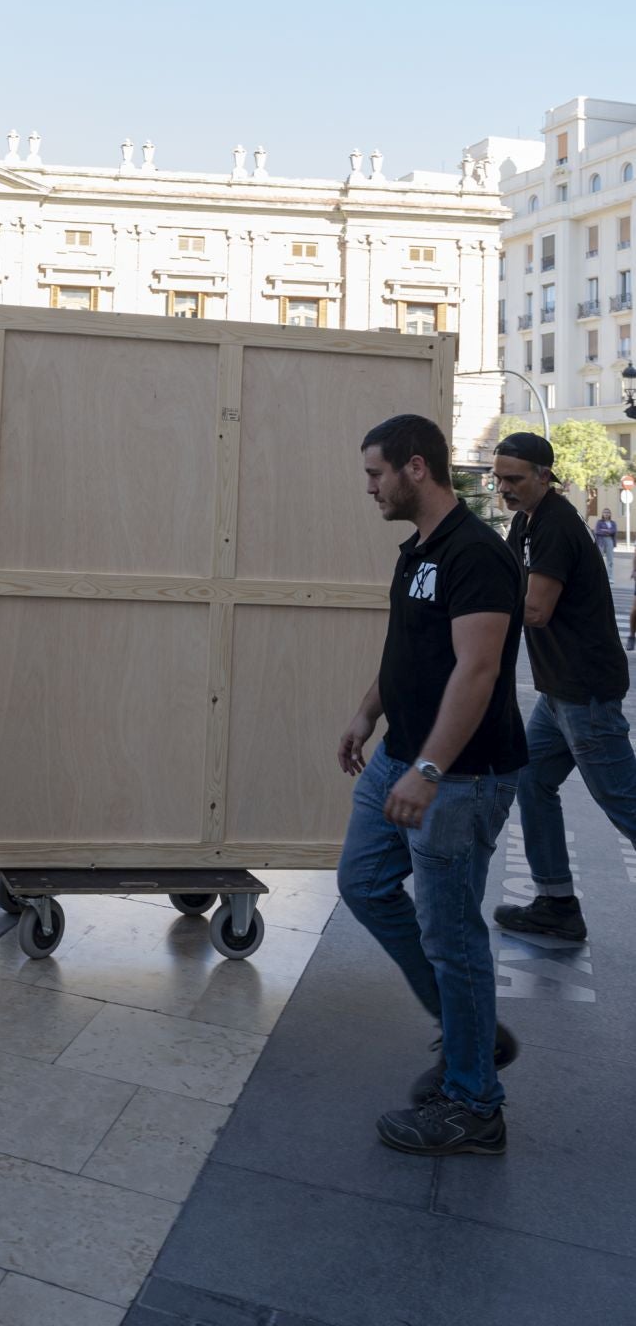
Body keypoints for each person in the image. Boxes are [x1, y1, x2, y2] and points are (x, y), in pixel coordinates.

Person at [336, 413, 526, 1157]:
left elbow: (477, 671)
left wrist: (428, 770)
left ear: (416, 467)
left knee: (452, 938)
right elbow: (407, 653)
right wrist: (367, 713)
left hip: (460, 775)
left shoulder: (476, 554)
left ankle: (475, 1105)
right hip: (402, 756)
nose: (370, 488)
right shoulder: (418, 549)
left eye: (376, 473)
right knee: (363, 883)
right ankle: (464, 1024)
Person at [489, 432, 636, 945]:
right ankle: (556, 904)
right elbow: (504, 574)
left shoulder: (555, 526)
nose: (503, 488)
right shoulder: (526, 522)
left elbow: (534, 609)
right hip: (559, 692)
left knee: (623, 800)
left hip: (583, 690)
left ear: (544, 476)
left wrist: (473, 612)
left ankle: (556, 904)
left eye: (514, 479)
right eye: (498, 478)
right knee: (532, 780)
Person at [593, 506, 617, 578]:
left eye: (608, 512)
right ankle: (599, 576)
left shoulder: (613, 523)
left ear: (610, 514)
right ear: (602, 514)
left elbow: (614, 531)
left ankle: (610, 577)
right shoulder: (599, 522)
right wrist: (607, 531)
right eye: (605, 512)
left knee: (610, 560)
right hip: (601, 541)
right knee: (600, 560)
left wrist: (604, 530)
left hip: (610, 541)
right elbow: (597, 531)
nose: (606, 514)